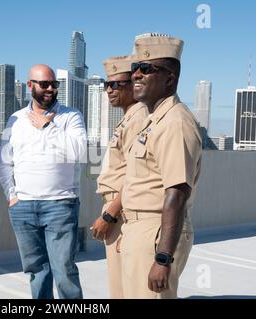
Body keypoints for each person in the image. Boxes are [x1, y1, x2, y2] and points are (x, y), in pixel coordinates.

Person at [120, 34, 202, 298]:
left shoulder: (175, 122)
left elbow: (176, 194)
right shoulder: (153, 119)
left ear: (170, 78)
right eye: (135, 69)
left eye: (146, 69)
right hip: (142, 230)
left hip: (156, 234)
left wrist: (163, 257)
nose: (136, 75)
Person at [0, 64, 87, 299]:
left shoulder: (71, 116)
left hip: (60, 205)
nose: (50, 89)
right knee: (37, 272)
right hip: (23, 207)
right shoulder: (14, 119)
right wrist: (12, 196)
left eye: (54, 85)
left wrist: (48, 126)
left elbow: (78, 151)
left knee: (64, 271)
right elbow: (4, 162)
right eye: (44, 84)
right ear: (30, 86)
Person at [90, 55, 147, 298]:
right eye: (107, 85)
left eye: (117, 84)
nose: (110, 90)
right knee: (120, 285)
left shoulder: (138, 118)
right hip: (119, 209)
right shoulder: (128, 117)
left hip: (121, 212)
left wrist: (109, 214)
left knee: (124, 289)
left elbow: (134, 176)